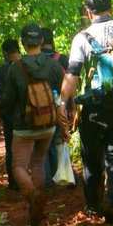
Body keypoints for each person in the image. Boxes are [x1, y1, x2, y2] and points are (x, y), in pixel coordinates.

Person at [59, 0, 113, 224]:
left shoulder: (82, 37)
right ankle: (112, 201)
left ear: (88, 12)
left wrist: (63, 103)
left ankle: (93, 206)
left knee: (91, 157)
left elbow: (72, 73)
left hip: (92, 107)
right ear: (111, 8)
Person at [3, 24, 65, 226]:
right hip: (48, 123)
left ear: (22, 43)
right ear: (41, 41)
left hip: (24, 125)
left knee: (19, 166)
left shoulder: (15, 68)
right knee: (38, 163)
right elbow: (59, 92)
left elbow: (9, 100)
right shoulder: (54, 65)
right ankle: (39, 199)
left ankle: (33, 198)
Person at [42, 28, 72, 191]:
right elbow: (70, 84)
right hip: (60, 105)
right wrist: (72, 108)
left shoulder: (31, 62)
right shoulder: (62, 59)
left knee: (43, 145)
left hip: (38, 109)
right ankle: (59, 176)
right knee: (57, 141)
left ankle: (47, 182)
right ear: (52, 41)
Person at [0, 39, 21, 191]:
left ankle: (14, 182)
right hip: (28, 113)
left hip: (9, 114)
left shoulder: (2, 71)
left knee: (11, 148)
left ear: (5, 53)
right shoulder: (27, 65)